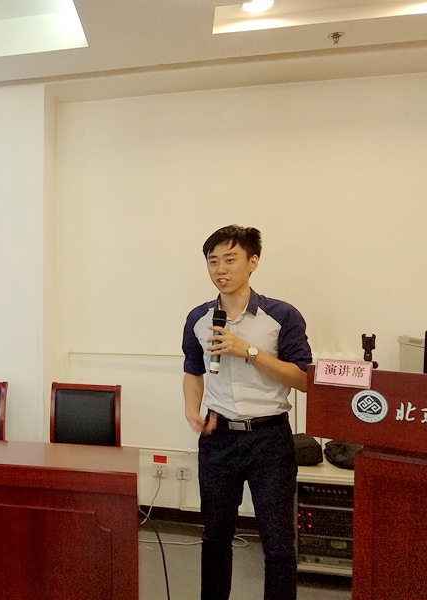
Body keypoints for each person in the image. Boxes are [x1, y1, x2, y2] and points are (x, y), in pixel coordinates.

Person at [181, 225, 312, 600]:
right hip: (218, 438)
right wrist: (192, 410)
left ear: (253, 262)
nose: (220, 269)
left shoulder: (282, 315)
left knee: (278, 543)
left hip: (269, 439)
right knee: (215, 537)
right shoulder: (199, 318)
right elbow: (193, 371)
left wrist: (249, 352)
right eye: (213, 261)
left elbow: (304, 379)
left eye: (230, 259)